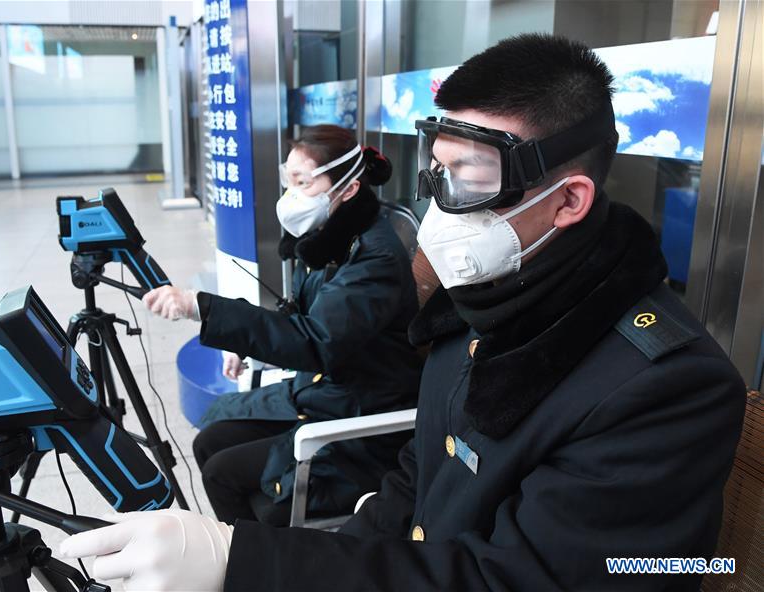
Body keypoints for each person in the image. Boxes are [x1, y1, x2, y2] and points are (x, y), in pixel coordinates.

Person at [60, 34, 746, 591]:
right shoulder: (486, 308)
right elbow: (418, 486)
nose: (438, 212)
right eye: (437, 175)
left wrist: (251, 563)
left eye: (471, 181)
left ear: (567, 202)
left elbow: (525, 577)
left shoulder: (666, 389)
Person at [141, 125, 423, 526]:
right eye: (287, 181)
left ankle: (260, 564)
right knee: (209, 440)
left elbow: (316, 341)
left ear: (349, 188)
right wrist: (244, 341)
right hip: (324, 392)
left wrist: (201, 307)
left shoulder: (374, 260)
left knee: (222, 474)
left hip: (359, 419)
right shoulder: (337, 241)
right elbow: (303, 319)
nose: (290, 196)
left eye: (302, 182)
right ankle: (248, 553)